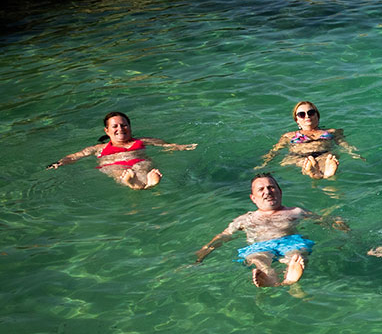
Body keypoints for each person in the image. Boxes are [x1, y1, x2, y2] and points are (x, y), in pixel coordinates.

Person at [194, 173, 348, 288]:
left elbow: (322, 220)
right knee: (257, 259)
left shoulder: (295, 212)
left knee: (297, 256)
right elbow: (225, 235)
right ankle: (271, 278)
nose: (267, 191)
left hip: (290, 242)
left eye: (271, 187)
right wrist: (202, 254)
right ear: (253, 198)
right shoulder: (244, 219)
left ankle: (289, 278)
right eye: (261, 189)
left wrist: (339, 226)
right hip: (260, 246)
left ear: (280, 191)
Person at [45, 111, 196, 189]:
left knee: (141, 166)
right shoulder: (98, 148)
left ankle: (140, 184)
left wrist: (181, 147)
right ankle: (136, 184)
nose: (120, 128)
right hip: (114, 165)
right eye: (115, 126)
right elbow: (76, 156)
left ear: (130, 127)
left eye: (124, 125)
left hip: (138, 163)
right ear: (107, 130)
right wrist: (59, 163)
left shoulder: (142, 141)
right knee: (118, 170)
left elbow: (165, 145)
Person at [259, 100, 361, 179]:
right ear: (297, 120)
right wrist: (265, 163)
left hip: (323, 154)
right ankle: (316, 173)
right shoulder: (288, 136)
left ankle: (320, 173)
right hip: (298, 156)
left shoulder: (332, 132)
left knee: (329, 158)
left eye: (311, 112)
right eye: (302, 114)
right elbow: (275, 151)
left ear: (317, 115)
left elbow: (344, 144)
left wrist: (354, 153)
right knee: (301, 162)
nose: (307, 116)